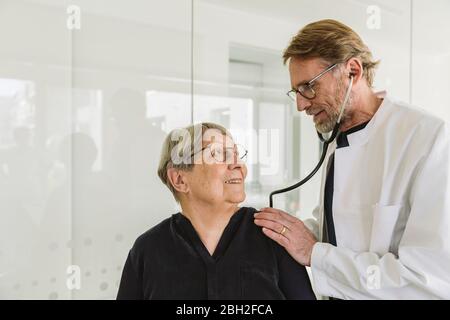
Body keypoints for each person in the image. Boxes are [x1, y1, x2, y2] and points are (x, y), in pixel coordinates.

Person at [254, 19, 450, 299]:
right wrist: (285, 233)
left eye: (308, 87)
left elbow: (427, 280)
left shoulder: (426, 138)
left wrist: (314, 254)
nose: (301, 104)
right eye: (296, 92)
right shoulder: (339, 139)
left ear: (353, 71)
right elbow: (340, 231)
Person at [117, 122, 315, 300]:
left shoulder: (273, 236)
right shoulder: (148, 250)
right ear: (179, 179)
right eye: (217, 154)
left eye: (237, 155)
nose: (238, 165)